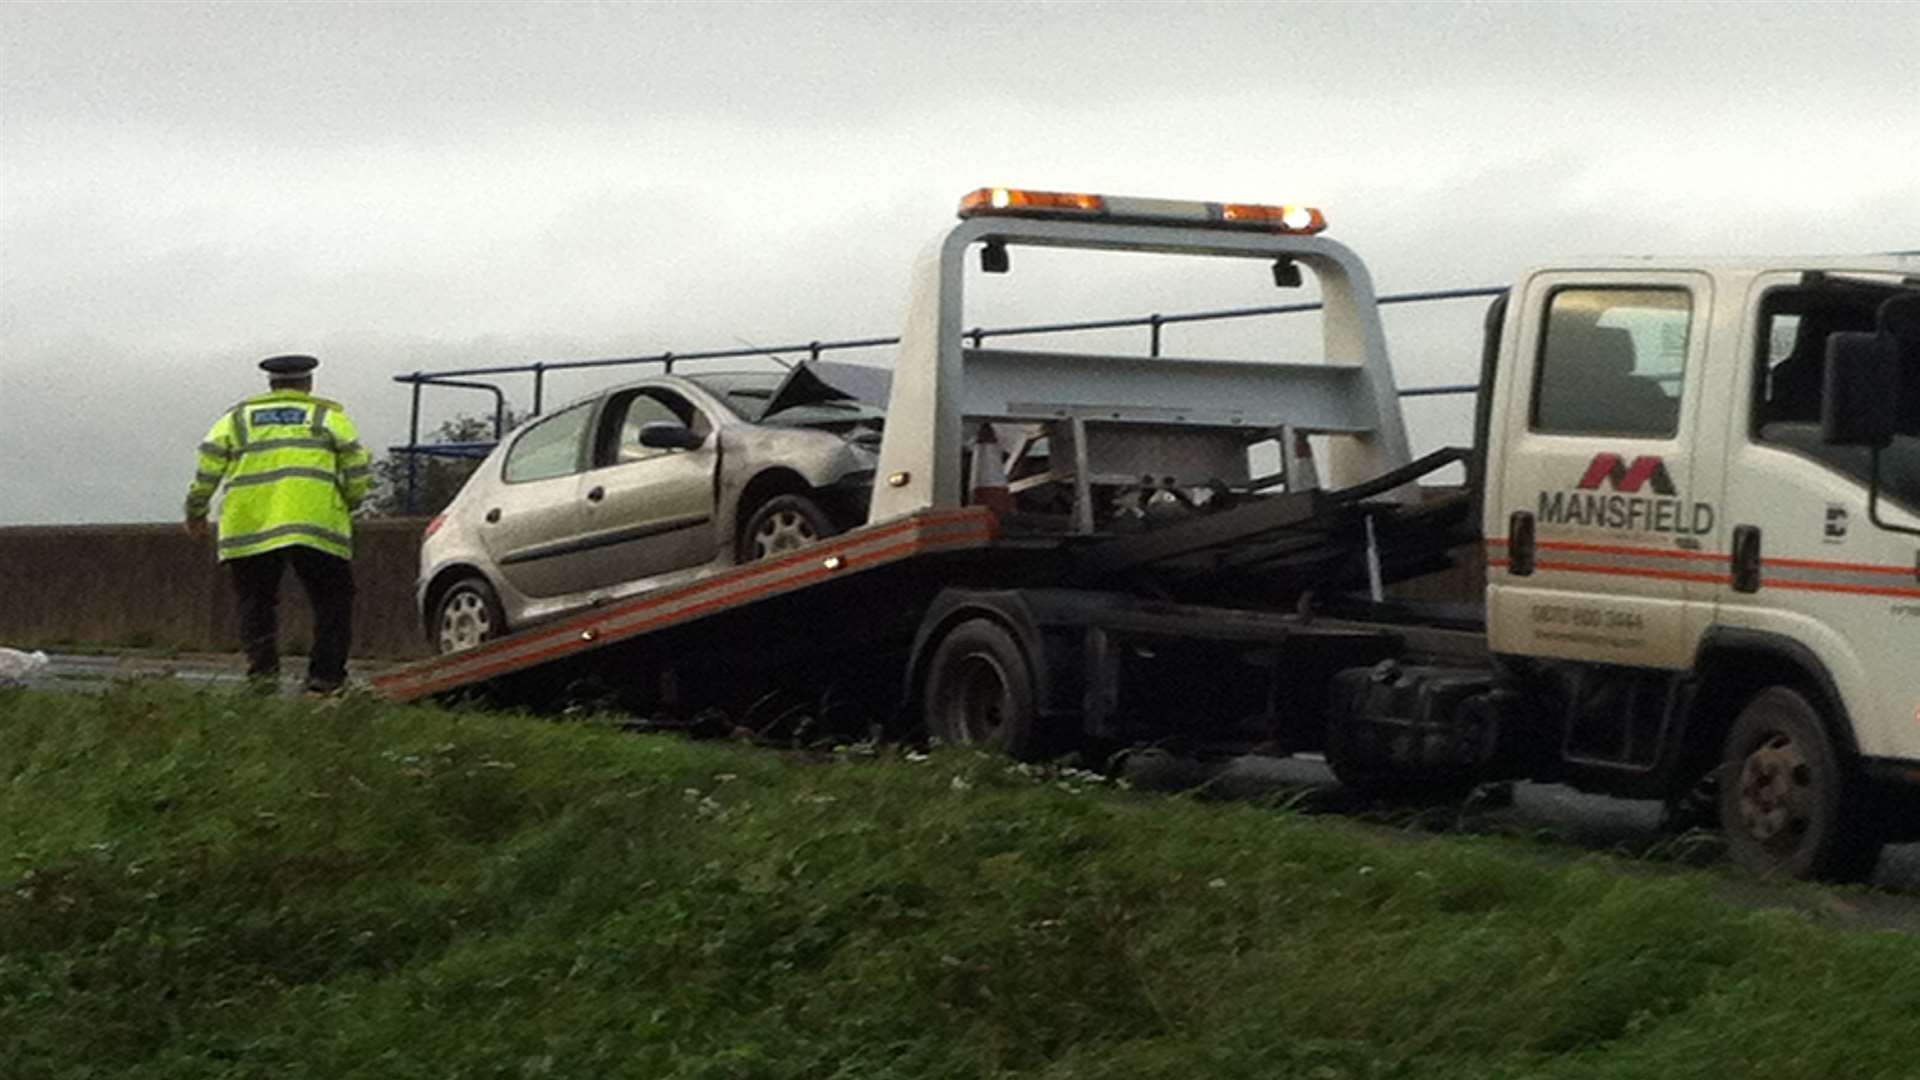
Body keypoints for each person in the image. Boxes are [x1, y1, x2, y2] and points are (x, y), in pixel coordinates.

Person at [185, 354, 372, 693]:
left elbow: (208, 467)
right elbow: (357, 465)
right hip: (315, 524)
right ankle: (326, 676)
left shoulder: (236, 419)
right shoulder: (327, 416)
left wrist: (196, 510)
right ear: (308, 383)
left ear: (271, 384)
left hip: (250, 526)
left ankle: (263, 676)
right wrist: (350, 501)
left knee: (256, 600)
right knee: (332, 599)